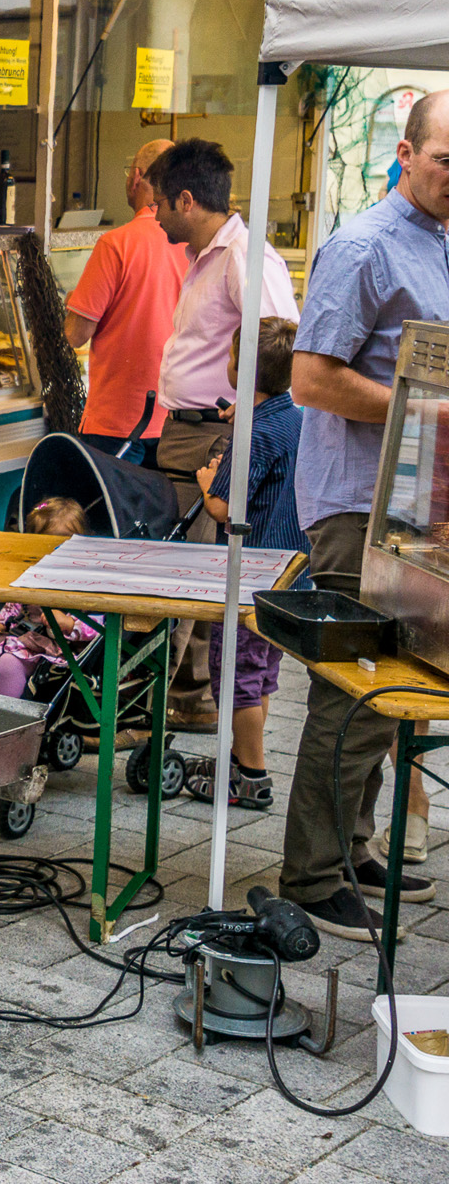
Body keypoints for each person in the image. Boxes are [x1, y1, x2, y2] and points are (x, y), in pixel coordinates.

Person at [281, 89, 449, 940]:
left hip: (413, 510)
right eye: (448, 159)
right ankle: (311, 878)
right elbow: (310, 380)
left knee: (393, 689)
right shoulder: (364, 246)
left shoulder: (439, 244)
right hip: (354, 505)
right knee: (352, 694)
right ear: (407, 155)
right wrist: (425, 410)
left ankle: (351, 846)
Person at [148, 140, 299, 727]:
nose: (156, 214)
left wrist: (248, 408)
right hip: (186, 429)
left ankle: (183, 701)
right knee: (186, 562)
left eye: (161, 202)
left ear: (187, 200)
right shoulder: (206, 254)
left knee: (192, 569)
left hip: (212, 433)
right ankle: (187, 698)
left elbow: (278, 338)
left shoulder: (243, 257)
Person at [187, 318, 306, 812]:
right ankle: (242, 758)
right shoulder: (296, 417)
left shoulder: (250, 432)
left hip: (250, 573)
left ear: (245, 368)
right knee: (260, 671)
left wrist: (206, 479)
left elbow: (227, 509)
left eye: (233, 356)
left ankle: (251, 775)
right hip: (289, 571)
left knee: (234, 672)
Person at [64, 139, 186, 468]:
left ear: (135, 177)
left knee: (113, 517)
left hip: (117, 423)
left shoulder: (115, 244)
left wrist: (67, 308)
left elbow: (75, 335)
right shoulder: (194, 244)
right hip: (176, 421)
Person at [0, 497, 97, 699]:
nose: (53, 550)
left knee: (9, 665)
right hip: (18, 637)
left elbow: (97, 626)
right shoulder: (30, 574)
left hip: (51, 649)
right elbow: (13, 608)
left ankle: (12, 723)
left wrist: (69, 623)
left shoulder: (82, 582)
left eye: (63, 541)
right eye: (44, 542)